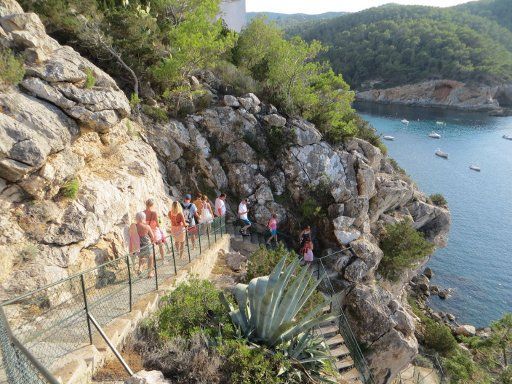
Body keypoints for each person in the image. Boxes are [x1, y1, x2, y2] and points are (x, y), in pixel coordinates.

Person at [129, 211, 155, 277]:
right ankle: (150, 273)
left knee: (141, 257)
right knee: (150, 257)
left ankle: (140, 268)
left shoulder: (134, 226)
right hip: (146, 245)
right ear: (144, 218)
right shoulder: (147, 226)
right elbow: (152, 236)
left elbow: (131, 234)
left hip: (138, 246)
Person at [144, 198, 165, 263]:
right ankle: (163, 260)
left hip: (147, 232)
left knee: (151, 248)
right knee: (161, 245)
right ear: (152, 205)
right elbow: (158, 225)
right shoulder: (154, 213)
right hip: (155, 232)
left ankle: (152, 263)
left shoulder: (143, 213)